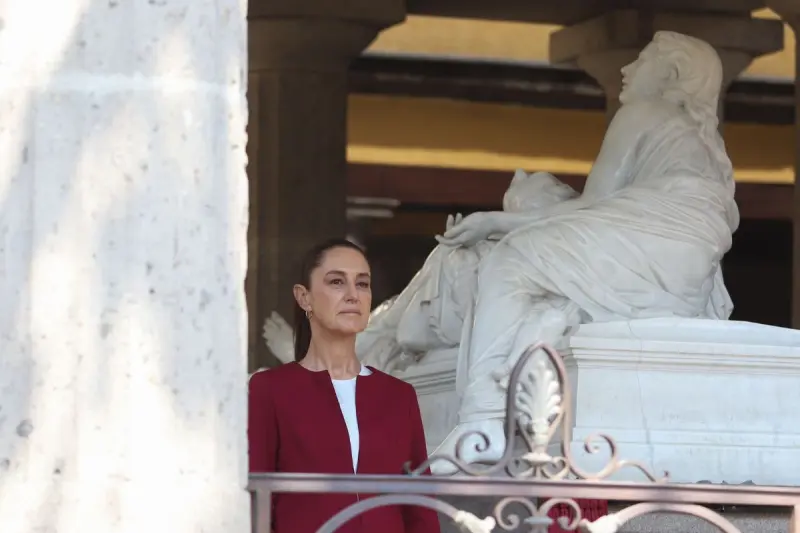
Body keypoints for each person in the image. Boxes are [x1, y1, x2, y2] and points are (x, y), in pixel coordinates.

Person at [428, 30, 739, 471]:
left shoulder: (646, 111)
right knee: (554, 281)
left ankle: (481, 418)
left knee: (511, 259)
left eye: (642, 60)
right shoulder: (703, 141)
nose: (626, 70)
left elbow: (592, 206)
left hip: (654, 249)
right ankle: (532, 352)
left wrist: (495, 222)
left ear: (671, 74)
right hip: (685, 272)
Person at [248, 238, 441, 533]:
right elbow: (255, 499)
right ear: (304, 298)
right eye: (337, 282)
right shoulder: (269, 390)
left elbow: (420, 507)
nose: (353, 295)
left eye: (362, 284)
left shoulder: (399, 396)